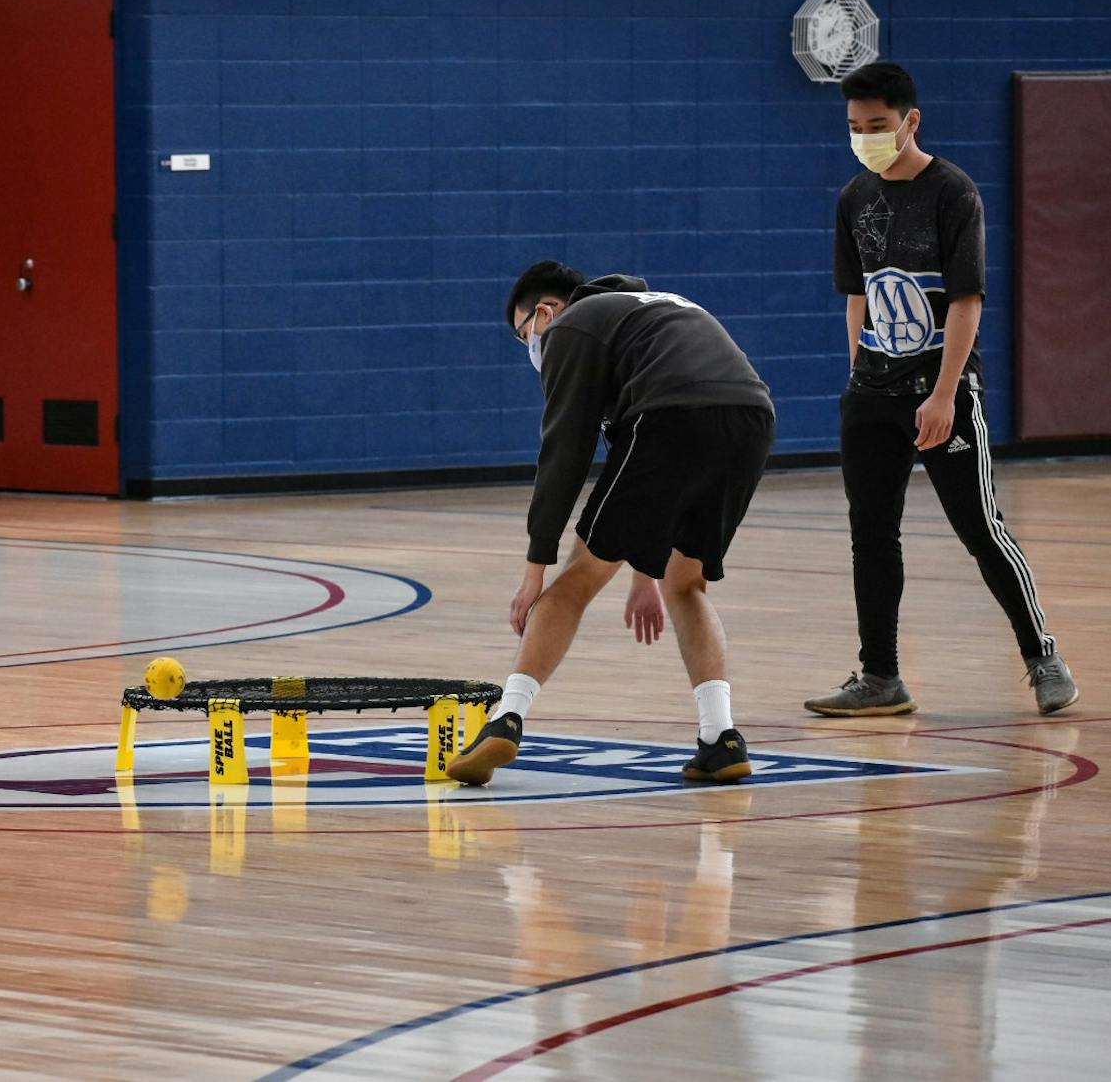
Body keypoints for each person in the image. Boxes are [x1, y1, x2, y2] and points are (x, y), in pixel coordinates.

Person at [804, 61, 1077, 718]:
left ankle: (1043, 656)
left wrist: (945, 393)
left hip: (940, 391)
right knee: (871, 534)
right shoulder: (853, 199)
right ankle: (880, 676)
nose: (865, 136)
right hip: (871, 396)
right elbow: (857, 298)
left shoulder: (953, 193)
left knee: (980, 527)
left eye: (878, 125)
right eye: (854, 127)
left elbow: (966, 300)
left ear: (910, 121)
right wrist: (857, 379)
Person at [447, 263, 775, 787]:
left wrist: (534, 572)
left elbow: (564, 455)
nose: (529, 346)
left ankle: (505, 719)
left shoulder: (572, 329)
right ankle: (721, 739)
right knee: (686, 582)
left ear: (546, 312)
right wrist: (644, 575)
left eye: (523, 333)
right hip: (751, 418)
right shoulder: (650, 308)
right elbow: (642, 478)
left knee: (576, 579)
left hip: (672, 414)